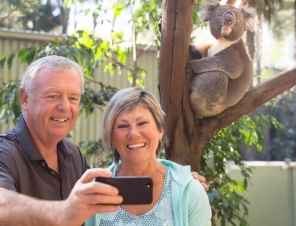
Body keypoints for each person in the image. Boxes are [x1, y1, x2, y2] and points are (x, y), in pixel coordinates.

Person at [0, 56, 208, 226]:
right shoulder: (5, 152)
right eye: (53, 96)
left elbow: (114, 183)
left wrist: (179, 181)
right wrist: (63, 213)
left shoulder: (70, 154)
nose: (65, 107)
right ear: (25, 99)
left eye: (73, 98)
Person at [85, 87, 212, 226]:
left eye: (142, 123)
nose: (133, 133)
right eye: (122, 126)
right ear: (111, 138)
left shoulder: (188, 191)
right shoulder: (95, 193)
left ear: (160, 131)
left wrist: (187, 185)